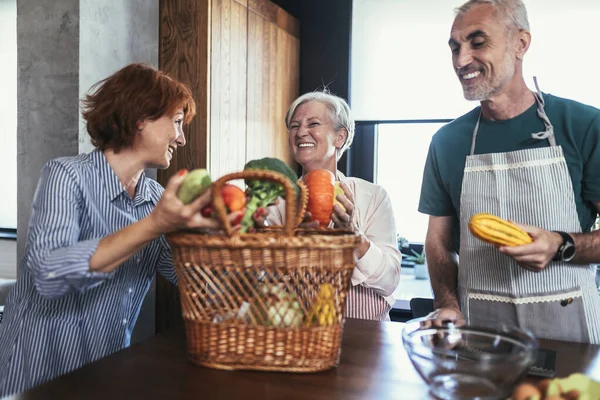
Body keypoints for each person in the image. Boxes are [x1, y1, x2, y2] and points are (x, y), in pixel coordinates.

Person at [0, 63, 239, 396]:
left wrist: (231, 236)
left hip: (105, 375)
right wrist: (154, 225)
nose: (181, 138)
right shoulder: (66, 176)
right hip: (38, 372)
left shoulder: (157, 198)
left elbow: (195, 283)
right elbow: (48, 275)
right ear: (141, 117)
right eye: (176, 122)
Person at [419, 0, 600, 343]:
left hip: (568, 331)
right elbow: (438, 242)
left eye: (478, 42)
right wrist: (447, 303)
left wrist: (561, 245)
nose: (461, 60)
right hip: (479, 335)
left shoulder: (584, 125)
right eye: (455, 48)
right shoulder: (446, 142)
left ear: (521, 43)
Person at [267, 91, 402, 321]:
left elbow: (389, 281)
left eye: (314, 123)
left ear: (340, 137)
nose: (300, 132)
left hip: (365, 338)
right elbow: (261, 281)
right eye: (294, 126)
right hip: (298, 332)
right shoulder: (278, 201)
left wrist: (355, 237)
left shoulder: (373, 197)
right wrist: (293, 242)